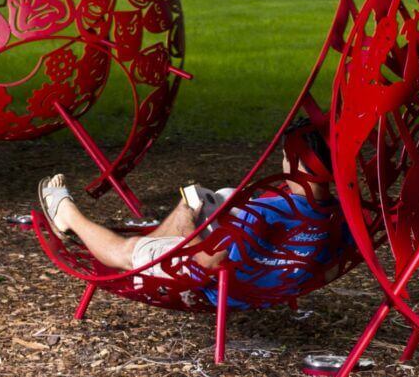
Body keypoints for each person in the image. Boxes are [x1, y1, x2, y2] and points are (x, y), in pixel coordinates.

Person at [37, 119, 344, 308]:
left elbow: (203, 265)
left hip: (231, 285)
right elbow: (327, 269)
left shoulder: (267, 209)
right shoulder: (341, 216)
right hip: (270, 279)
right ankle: (168, 228)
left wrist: (188, 235)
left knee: (129, 251)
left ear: (297, 164)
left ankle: (67, 213)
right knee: (219, 197)